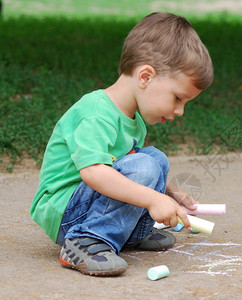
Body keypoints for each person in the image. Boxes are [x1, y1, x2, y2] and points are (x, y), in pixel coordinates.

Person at [30, 12, 214, 276]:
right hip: (66, 212)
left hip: (88, 203)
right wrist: (153, 198)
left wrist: (170, 192)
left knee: (155, 159)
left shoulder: (134, 119)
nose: (180, 111)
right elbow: (93, 172)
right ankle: (85, 241)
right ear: (145, 77)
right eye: (177, 98)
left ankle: (128, 234)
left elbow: (129, 162)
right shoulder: (96, 112)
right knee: (144, 166)